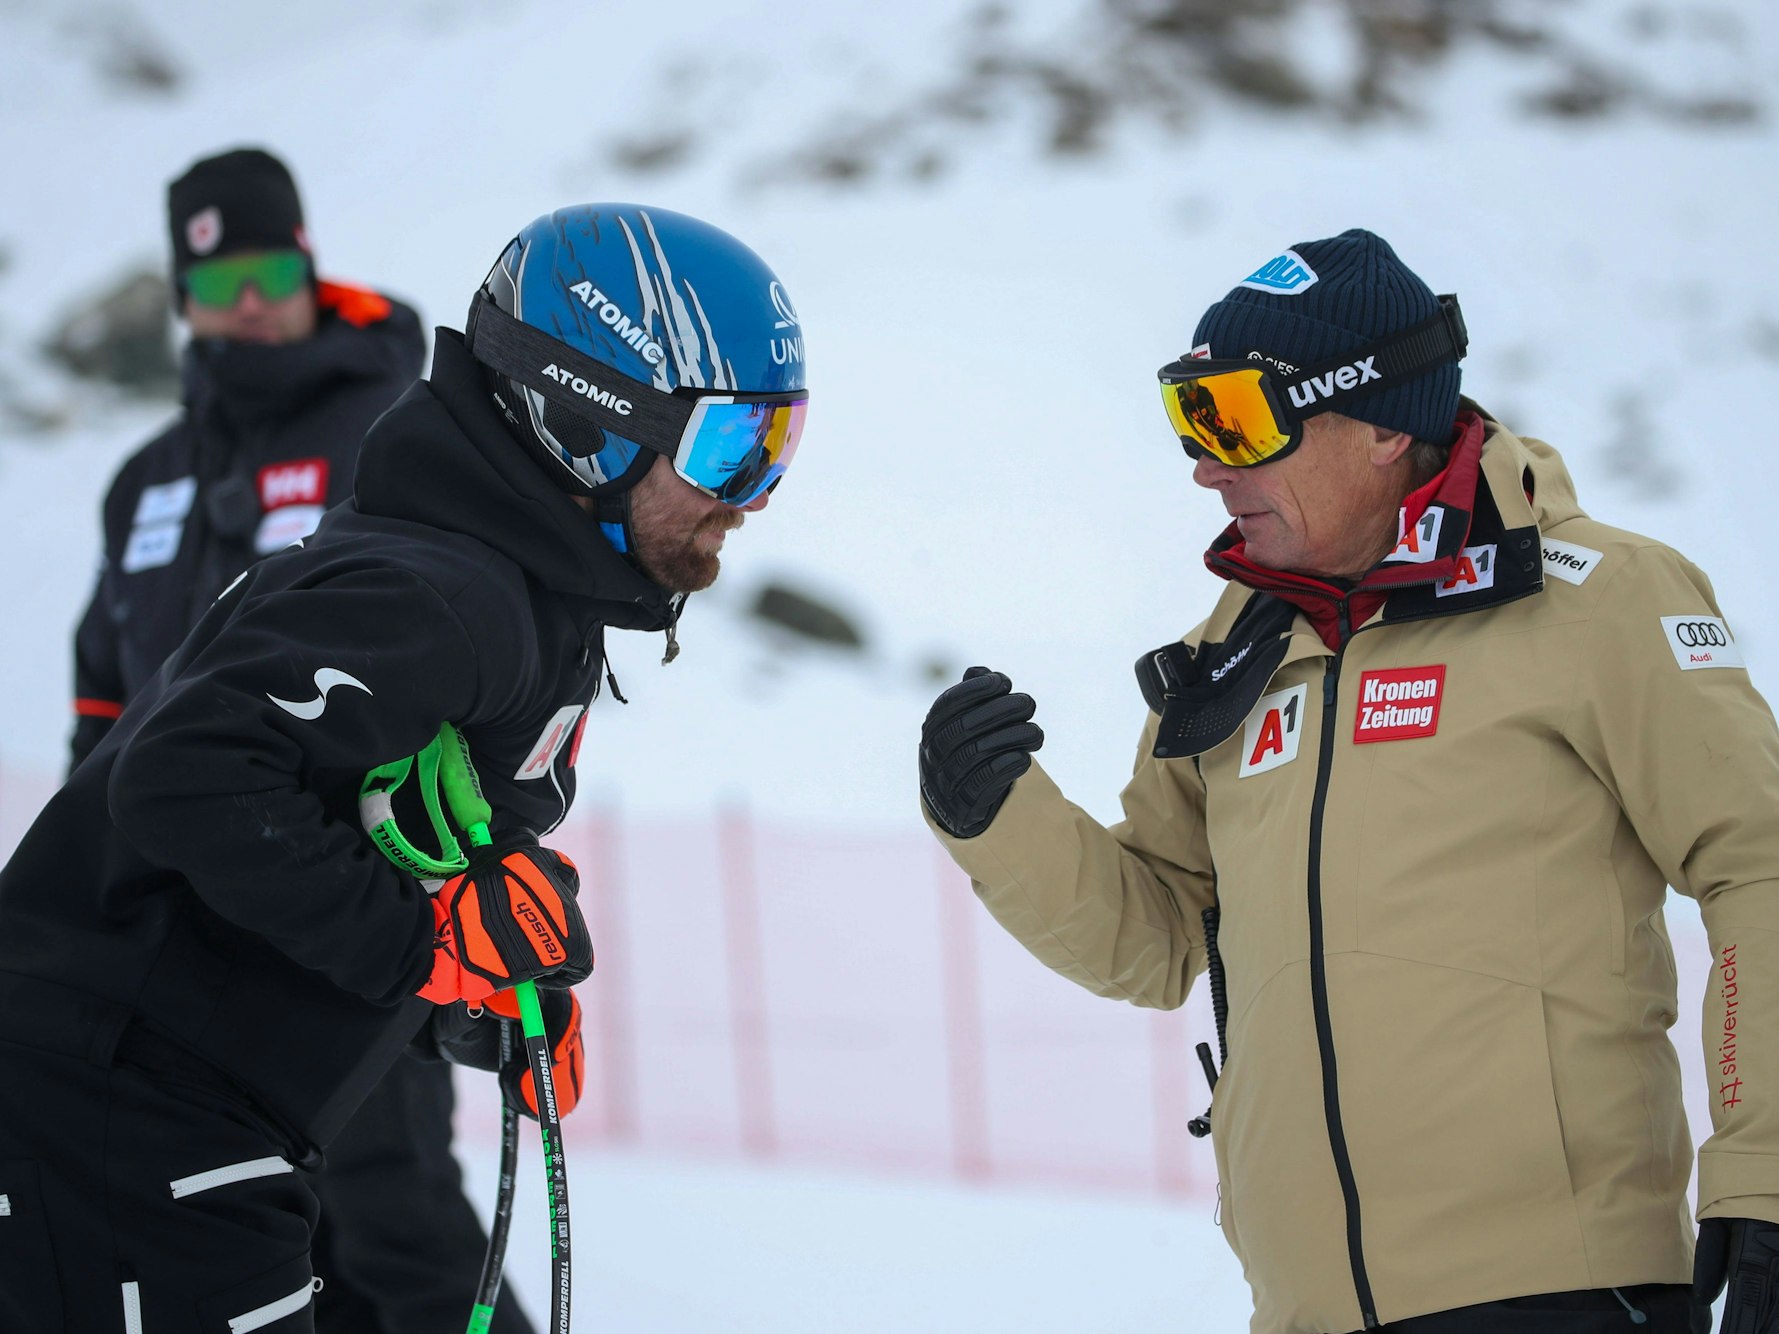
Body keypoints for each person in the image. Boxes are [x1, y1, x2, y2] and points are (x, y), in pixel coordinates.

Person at [918, 228, 1779, 1334]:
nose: (1205, 465)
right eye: (1190, 418)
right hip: (1303, 1308)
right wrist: (996, 817)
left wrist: (1764, 1184)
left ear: (1382, 424)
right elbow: (1161, 937)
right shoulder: (1236, 647)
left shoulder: (1596, 600)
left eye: (1233, 417)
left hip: (1558, 1293)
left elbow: (1757, 862)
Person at [0, 201, 807, 1332]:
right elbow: (189, 772)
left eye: (780, 445)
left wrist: (479, 989)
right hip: (120, 1116)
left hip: (198, 1118)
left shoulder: (519, 592)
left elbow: (359, 811)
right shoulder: (448, 595)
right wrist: (423, 946)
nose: (752, 498)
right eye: (732, 447)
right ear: (592, 418)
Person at [60, 144, 535, 1334]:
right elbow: (105, 699)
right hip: (179, 947)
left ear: (309, 268)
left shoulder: (381, 425)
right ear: (182, 301)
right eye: (220, 286)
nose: (250, 302)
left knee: (394, 1216)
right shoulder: (145, 482)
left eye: (269, 272)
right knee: (243, 1240)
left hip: (349, 919)